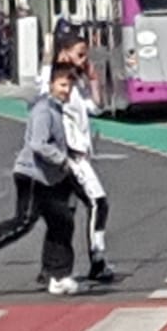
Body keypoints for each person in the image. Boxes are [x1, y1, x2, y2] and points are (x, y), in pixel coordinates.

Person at [0, 62, 84, 295]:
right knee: (23, 222)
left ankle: (57, 275)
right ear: (51, 84)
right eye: (62, 85)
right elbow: (38, 144)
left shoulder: (54, 109)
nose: (67, 90)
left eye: (70, 86)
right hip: (32, 175)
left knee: (62, 222)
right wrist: (62, 159)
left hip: (48, 177)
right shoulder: (44, 110)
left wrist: (70, 155)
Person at [39, 34, 115, 283]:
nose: (84, 60)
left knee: (64, 213)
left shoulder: (76, 82)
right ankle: (97, 259)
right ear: (64, 53)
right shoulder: (54, 80)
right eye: (80, 55)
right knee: (97, 202)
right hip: (70, 155)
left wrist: (93, 80)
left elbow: (96, 107)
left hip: (78, 154)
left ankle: (51, 268)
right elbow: (46, 101)